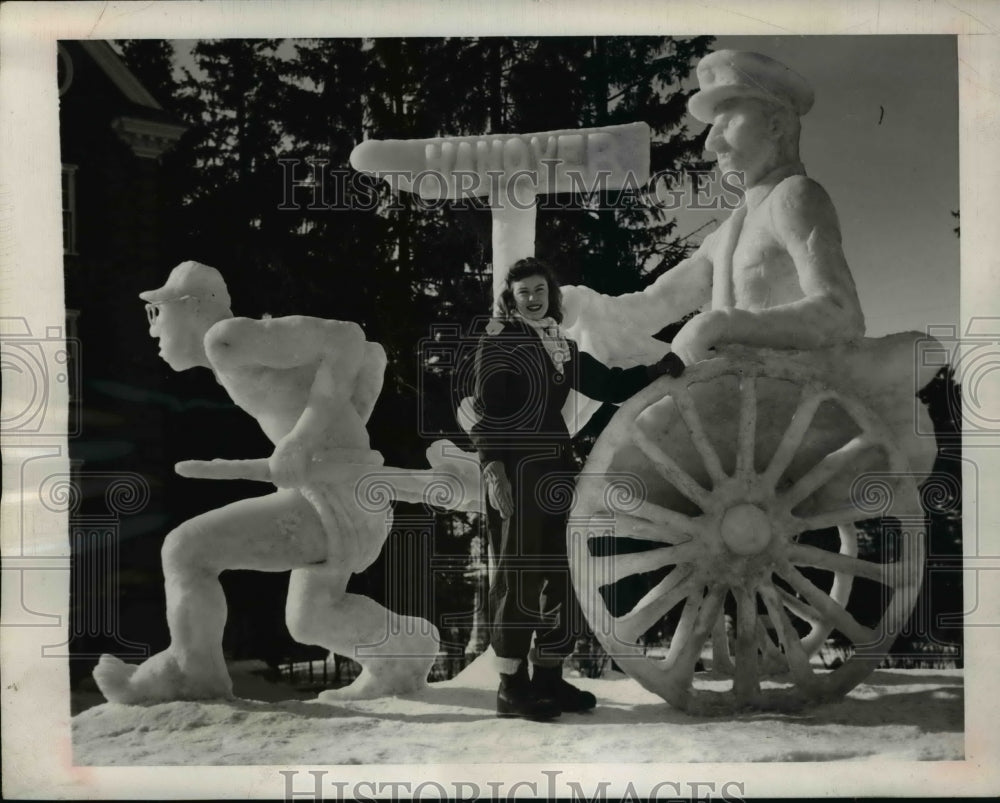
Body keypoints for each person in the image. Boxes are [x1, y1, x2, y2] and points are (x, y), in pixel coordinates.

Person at [93, 260, 439, 704]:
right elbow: (373, 358)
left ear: (191, 306)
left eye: (157, 313)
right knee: (311, 619)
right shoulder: (230, 356)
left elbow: (349, 337)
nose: (153, 330)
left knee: (186, 551)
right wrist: (330, 441)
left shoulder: (227, 338)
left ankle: (191, 672)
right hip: (341, 493)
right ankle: (403, 653)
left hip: (330, 498)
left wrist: (301, 441)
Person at [470, 257, 684, 721]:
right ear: (511, 297)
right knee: (520, 574)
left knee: (566, 571)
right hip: (517, 474)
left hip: (558, 473)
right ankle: (511, 686)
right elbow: (488, 412)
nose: (531, 298)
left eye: (539, 290)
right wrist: (493, 471)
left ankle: (549, 676)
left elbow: (606, 383)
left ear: (551, 294)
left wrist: (654, 372)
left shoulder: (559, 345)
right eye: (522, 291)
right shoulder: (499, 342)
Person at [560, 49, 866, 370]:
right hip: (734, 383)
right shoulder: (726, 233)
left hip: (783, 384)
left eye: (729, 122)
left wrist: (725, 325)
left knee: (647, 418)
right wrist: (586, 304)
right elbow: (655, 305)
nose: (711, 143)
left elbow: (840, 313)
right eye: (712, 128)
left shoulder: (794, 196)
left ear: (775, 125)